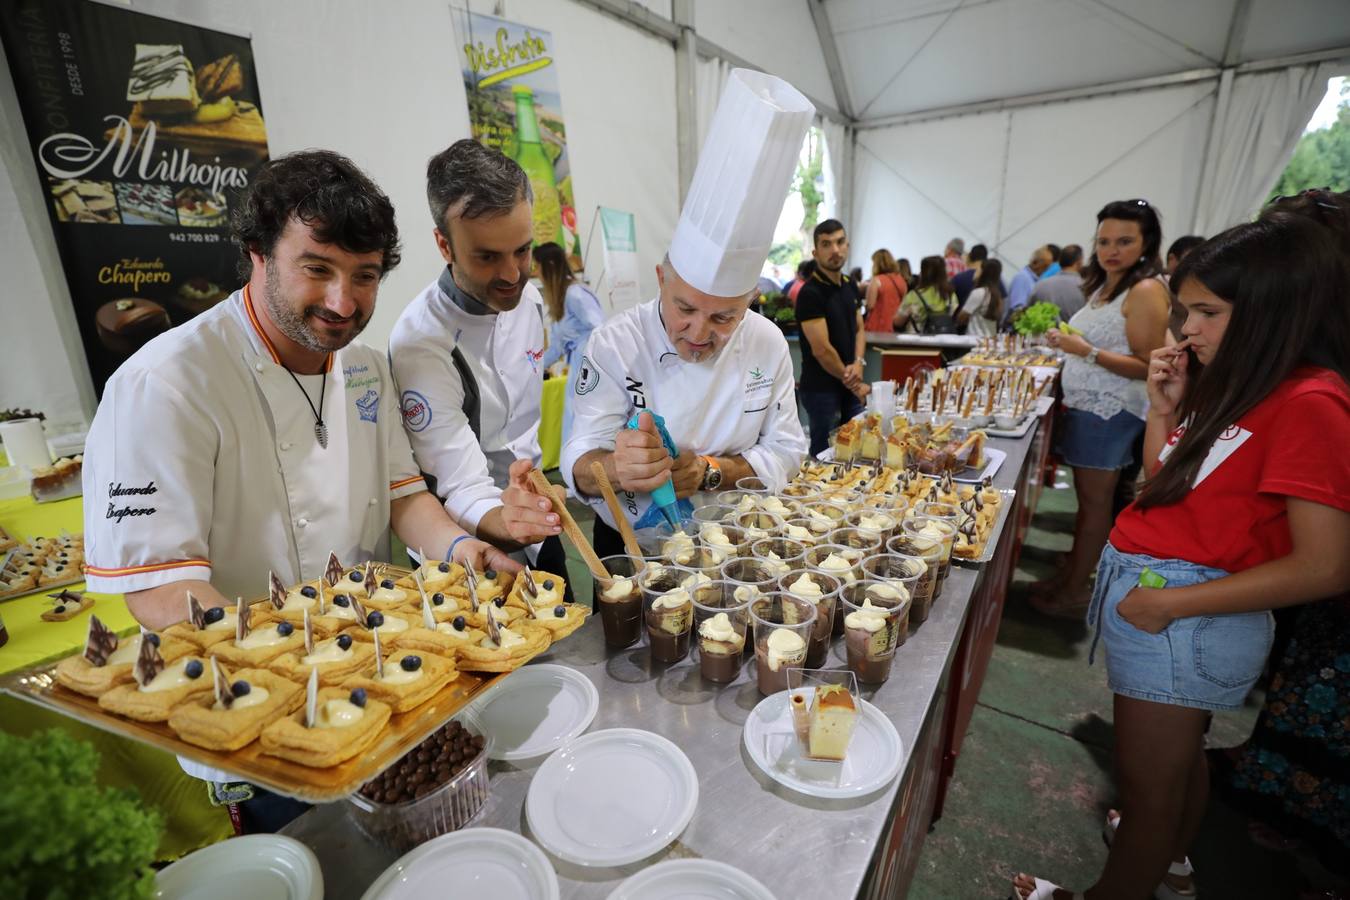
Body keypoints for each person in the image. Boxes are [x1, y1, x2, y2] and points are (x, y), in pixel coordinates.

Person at [81, 150, 533, 832]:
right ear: (256, 254)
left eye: (365, 276)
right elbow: (158, 588)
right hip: (261, 716)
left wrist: (464, 550)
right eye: (317, 269)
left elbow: (407, 499)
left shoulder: (364, 369)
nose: (342, 302)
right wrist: (299, 668)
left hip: (379, 682)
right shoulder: (165, 385)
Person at [1013, 201, 1350, 900]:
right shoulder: (1244, 384)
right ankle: (1169, 869)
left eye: (1207, 313)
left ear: (1274, 310)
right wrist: (1165, 408)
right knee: (1176, 767)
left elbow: (1326, 565)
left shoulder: (1312, 402)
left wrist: (1170, 607)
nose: (1187, 328)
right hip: (1164, 599)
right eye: (1185, 310)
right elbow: (1165, 482)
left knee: (1147, 792)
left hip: (1186, 611)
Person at [559, 68, 811, 555]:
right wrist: (615, 469)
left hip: (740, 540)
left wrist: (710, 472)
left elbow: (787, 451)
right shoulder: (613, 344)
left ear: (750, 302)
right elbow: (577, 459)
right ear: (661, 279)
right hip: (632, 545)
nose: (699, 332)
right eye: (685, 308)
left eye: (723, 319)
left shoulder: (767, 342)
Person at [389, 140, 574, 590]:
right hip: (463, 542)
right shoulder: (421, 343)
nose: (512, 274)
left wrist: (532, 507)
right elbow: (459, 484)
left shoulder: (528, 299)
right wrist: (511, 518)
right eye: (487, 257)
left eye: (522, 251)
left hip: (533, 516)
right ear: (443, 244)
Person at [1034, 200, 1171, 618]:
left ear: (1146, 244)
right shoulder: (1106, 285)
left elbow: (1150, 363)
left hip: (1109, 412)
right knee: (1087, 503)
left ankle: (1076, 589)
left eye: (1125, 241)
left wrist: (1086, 351)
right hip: (1087, 409)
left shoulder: (1145, 289)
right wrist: (1068, 341)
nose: (1112, 250)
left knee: (1095, 505)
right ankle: (1073, 573)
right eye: (1105, 241)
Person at [797, 218, 868, 457]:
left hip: (848, 384)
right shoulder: (810, 293)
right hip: (821, 390)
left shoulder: (850, 284)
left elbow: (859, 328)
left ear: (847, 245)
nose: (835, 250)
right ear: (816, 252)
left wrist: (859, 362)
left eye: (839, 242)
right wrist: (856, 383)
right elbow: (822, 350)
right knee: (825, 455)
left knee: (854, 451)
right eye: (827, 244)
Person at [536, 240, 605, 443]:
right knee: (574, 417)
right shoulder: (563, 297)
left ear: (548, 266)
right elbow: (556, 346)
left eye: (537, 266)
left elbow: (600, 328)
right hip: (578, 365)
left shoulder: (575, 294)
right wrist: (533, 370)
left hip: (590, 366)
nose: (536, 272)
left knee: (584, 418)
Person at [895, 255, 957, 335]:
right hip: (944, 339)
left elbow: (898, 322)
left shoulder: (914, 295)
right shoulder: (950, 294)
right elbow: (953, 314)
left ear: (923, 273)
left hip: (918, 340)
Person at [1029, 243, 1086, 319]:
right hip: (1072, 330)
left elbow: (1028, 312)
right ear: (1079, 262)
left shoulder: (1040, 285)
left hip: (1044, 330)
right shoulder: (1087, 288)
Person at [863, 248, 908, 333]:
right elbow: (904, 304)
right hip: (895, 326)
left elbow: (870, 305)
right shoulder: (901, 280)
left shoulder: (876, 280)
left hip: (877, 325)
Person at [957, 259, 1003, 337]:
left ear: (983, 272)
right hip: (990, 338)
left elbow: (962, 316)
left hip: (974, 338)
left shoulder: (979, 292)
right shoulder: (997, 295)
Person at [1006, 245, 1054, 316]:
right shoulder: (1022, 278)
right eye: (1044, 266)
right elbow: (1017, 307)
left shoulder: (1032, 279)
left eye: (1047, 267)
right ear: (1035, 263)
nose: (1045, 270)